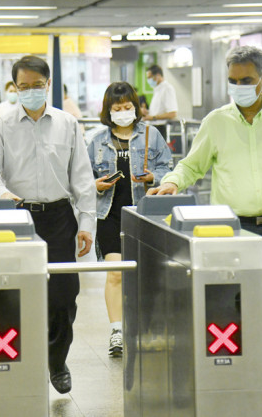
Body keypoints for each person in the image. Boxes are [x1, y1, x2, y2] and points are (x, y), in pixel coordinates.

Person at [148, 46, 262, 366]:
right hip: (229, 231)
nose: (238, 86)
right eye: (232, 80)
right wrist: (172, 182)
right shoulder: (216, 121)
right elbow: (191, 165)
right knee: (227, 311)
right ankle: (229, 380)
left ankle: (258, 385)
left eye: (246, 79)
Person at [0, 55, 96, 395]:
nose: (29, 91)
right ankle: (19, 359)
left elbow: (83, 180)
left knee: (63, 297)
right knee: (15, 295)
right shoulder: (2, 123)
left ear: (48, 85)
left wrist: (86, 223)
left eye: (36, 85)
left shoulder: (67, 124)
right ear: (14, 88)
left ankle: (57, 362)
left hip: (59, 218)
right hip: (17, 218)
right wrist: (4, 195)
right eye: (22, 86)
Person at [87, 82, 172, 357]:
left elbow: (167, 167)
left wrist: (153, 178)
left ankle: (146, 327)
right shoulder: (98, 140)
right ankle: (117, 331)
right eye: (117, 108)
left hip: (144, 212)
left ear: (135, 108)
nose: (123, 112)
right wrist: (95, 184)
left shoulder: (151, 134)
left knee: (146, 274)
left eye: (127, 107)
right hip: (109, 214)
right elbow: (84, 176)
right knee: (115, 274)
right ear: (108, 111)